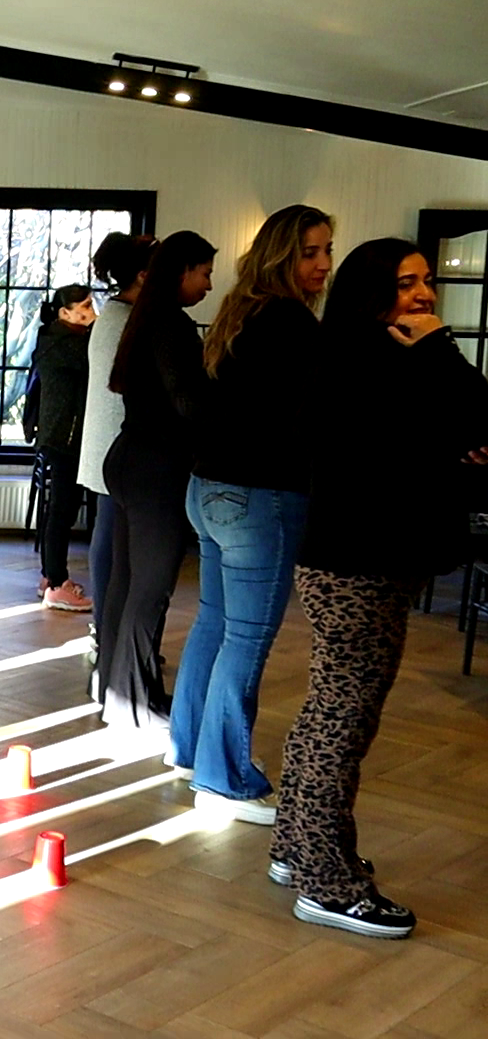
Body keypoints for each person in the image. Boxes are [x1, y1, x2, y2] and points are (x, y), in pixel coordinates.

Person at [273, 238, 488, 938]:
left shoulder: (363, 357)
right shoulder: (374, 361)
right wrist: (441, 350)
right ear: (372, 294)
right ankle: (326, 883)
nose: (422, 294)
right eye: (404, 283)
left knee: (331, 713)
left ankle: (297, 846)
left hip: (354, 562)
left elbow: (443, 434)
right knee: (343, 720)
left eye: (425, 280)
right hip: (357, 568)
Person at [171, 206, 333, 823]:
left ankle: (191, 750)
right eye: (309, 252)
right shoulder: (291, 320)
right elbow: (312, 416)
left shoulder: (242, 312)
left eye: (327, 250)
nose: (322, 264)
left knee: (215, 623)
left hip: (210, 488)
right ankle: (224, 777)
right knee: (244, 635)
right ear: (281, 256)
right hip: (257, 495)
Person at [99, 230, 218, 729]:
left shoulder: (144, 317)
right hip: (157, 467)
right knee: (150, 590)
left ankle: (117, 692)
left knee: (126, 584)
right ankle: (133, 705)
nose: (208, 285)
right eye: (204, 273)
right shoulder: (171, 323)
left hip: (129, 457)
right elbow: (187, 401)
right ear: (182, 271)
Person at [78, 233, 156, 664]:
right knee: (112, 543)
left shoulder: (114, 315)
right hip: (118, 448)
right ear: (143, 276)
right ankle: (108, 635)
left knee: (109, 539)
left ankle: (107, 634)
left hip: (109, 446)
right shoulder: (127, 319)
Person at [30, 284, 97, 612]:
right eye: (85, 306)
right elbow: (95, 364)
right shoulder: (64, 344)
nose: (92, 311)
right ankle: (57, 584)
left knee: (61, 510)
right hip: (65, 438)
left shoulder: (58, 339)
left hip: (61, 436)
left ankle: (50, 576)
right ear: (64, 313)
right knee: (62, 511)